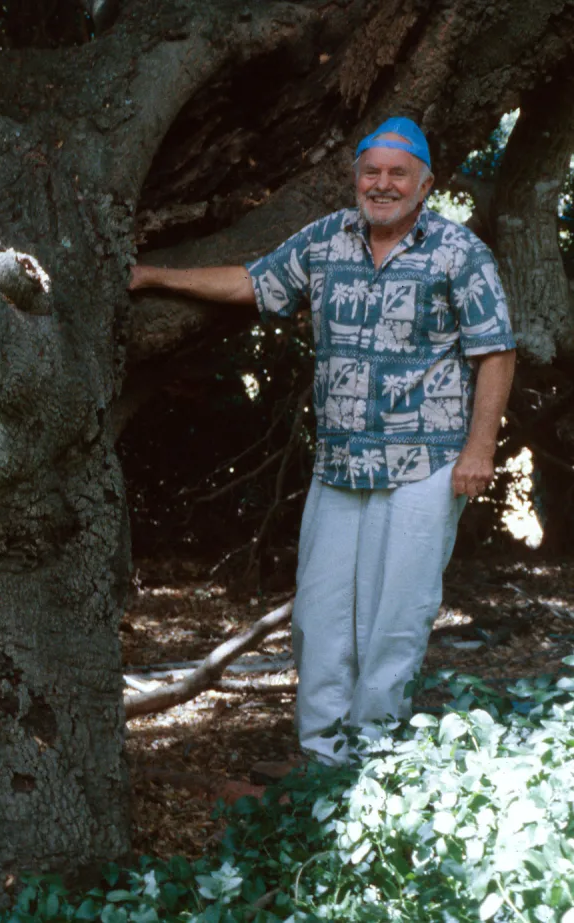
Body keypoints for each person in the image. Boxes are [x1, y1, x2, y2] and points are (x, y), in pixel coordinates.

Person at [129, 117, 517, 765]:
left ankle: (373, 764)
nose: (383, 184)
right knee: (319, 620)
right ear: (356, 178)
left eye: (398, 174)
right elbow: (254, 282)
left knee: (393, 621)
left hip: (425, 465)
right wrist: (153, 277)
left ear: (425, 185)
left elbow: (496, 352)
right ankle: (323, 766)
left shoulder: (458, 251)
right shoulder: (327, 240)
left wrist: (480, 450)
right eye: (372, 172)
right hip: (341, 465)